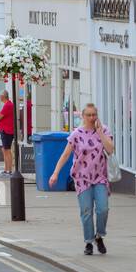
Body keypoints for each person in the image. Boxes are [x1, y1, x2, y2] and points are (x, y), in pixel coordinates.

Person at [48, 103, 114, 255]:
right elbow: (65, 155)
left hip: (99, 177)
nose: (92, 118)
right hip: (82, 178)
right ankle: (89, 242)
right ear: (83, 117)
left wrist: (100, 133)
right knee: (86, 211)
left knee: (103, 209)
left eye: (94, 115)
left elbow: (110, 150)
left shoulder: (104, 130)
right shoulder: (76, 134)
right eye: (89, 115)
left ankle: (99, 236)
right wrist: (55, 173)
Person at [0, 90, 16, 177]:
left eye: (0, 96)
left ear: (3, 96)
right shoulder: (7, 104)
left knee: (7, 150)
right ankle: (6, 169)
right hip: (6, 130)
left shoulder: (7, 105)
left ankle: (9, 170)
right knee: (5, 150)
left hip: (7, 130)